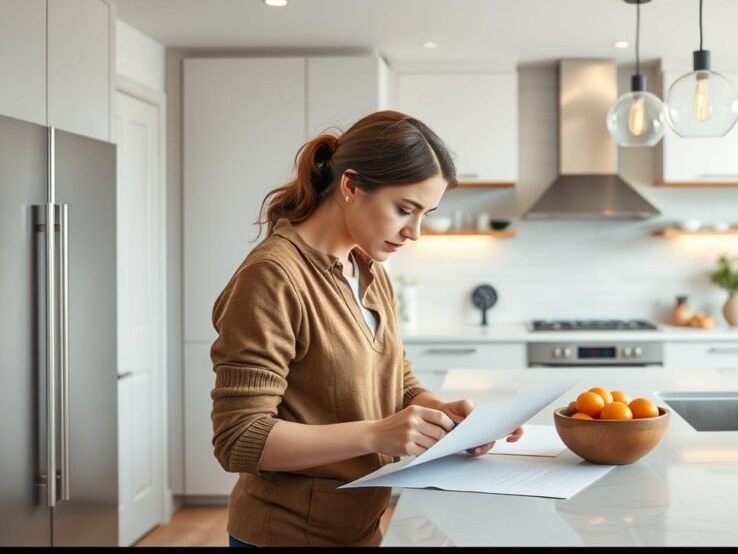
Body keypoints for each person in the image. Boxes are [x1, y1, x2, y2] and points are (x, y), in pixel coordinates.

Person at [209, 110, 524, 547]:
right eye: (404, 209)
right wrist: (377, 434)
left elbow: (396, 381)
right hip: (286, 536)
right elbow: (239, 437)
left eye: (425, 214)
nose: (414, 232)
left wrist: (442, 416)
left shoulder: (368, 269)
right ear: (351, 187)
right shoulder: (273, 277)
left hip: (358, 529)